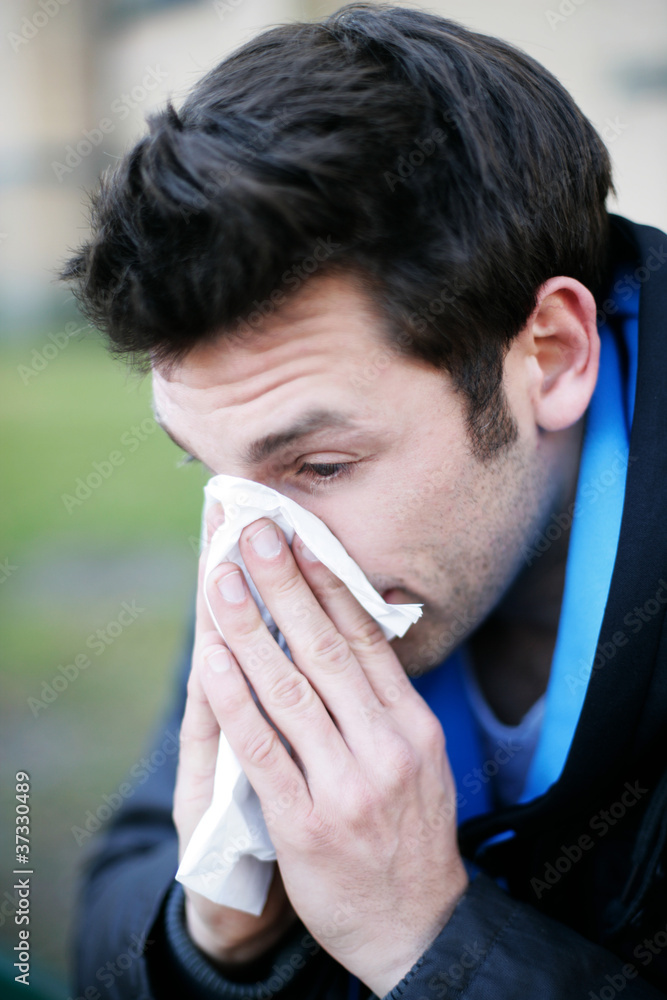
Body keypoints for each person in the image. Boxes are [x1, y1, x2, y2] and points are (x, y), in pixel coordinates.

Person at [62, 4, 667, 998]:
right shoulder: (270, 536)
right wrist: (216, 929)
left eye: (321, 465)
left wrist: (423, 935)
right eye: (207, 471)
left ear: (553, 355)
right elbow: (115, 897)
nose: (256, 556)